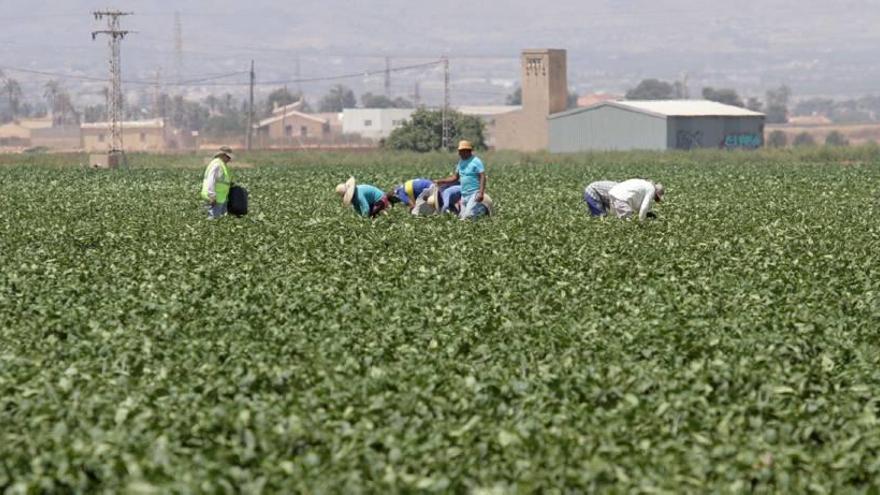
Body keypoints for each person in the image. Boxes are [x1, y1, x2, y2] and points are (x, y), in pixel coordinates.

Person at [434, 140, 491, 219]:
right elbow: (455, 178)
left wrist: (481, 193)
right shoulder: (461, 162)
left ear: (467, 151)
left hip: (474, 193)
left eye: (461, 151)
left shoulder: (476, 161)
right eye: (459, 151)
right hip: (464, 195)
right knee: (462, 218)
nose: (459, 153)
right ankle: (479, 214)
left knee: (468, 216)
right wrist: (441, 181)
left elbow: (482, 176)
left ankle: (482, 210)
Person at [200, 146, 234, 220]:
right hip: (215, 197)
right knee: (213, 219)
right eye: (228, 157)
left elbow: (223, 181)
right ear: (222, 155)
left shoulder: (222, 164)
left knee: (218, 220)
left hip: (221, 197)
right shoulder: (217, 164)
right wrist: (212, 195)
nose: (229, 159)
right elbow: (211, 180)